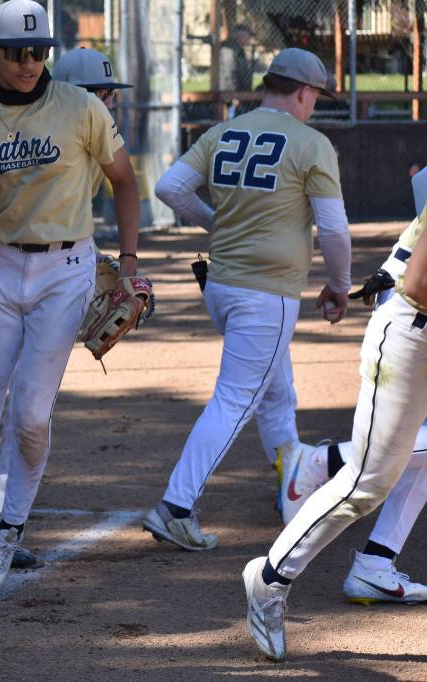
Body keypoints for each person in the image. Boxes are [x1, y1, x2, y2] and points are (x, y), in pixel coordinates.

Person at [0, 0, 141, 597]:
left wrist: (128, 264)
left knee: (30, 414)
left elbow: (124, 181)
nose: (28, 62)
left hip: (66, 269)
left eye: (39, 51)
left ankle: (8, 529)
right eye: (17, 52)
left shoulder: (82, 109)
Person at [143, 48, 352, 551]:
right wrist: (341, 285)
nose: (314, 106)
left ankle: (291, 490)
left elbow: (170, 188)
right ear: (303, 92)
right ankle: (175, 506)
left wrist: (218, 223)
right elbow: (335, 230)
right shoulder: (311, 142)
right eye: (316, 97)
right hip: (266, 294)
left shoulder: (223, 131)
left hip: (223, 287)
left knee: (276, 392)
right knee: (236, 399)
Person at [244, 203, 427, 660]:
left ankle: (375, 561)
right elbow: (421, 282)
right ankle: (269, 580)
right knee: (367, 483)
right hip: (410, 332)